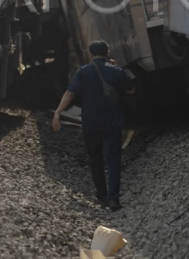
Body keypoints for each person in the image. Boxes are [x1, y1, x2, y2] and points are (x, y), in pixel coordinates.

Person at [52, 40, 135, 212]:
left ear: (90, 55)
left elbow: (70, 93)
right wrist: (118, 69)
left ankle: (101, 195)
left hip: (90, 123)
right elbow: (131, 90)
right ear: (108, 53)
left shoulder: (83, 72)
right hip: (112, 121)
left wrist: (58, 112)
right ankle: (114, 199)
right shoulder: (116, 71)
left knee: (95, 159)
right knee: (113, 160)